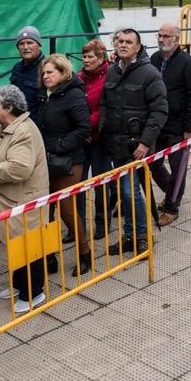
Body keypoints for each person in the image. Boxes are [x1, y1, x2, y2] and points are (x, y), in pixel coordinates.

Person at [0, 85, 51, 314]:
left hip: (24, 200)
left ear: (8, 108)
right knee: (16, 244)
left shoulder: (23, 131)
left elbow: (20, 168)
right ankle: (20, 285)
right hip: (14, 199)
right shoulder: (9, 127)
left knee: (29, 248)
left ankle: (34, 293)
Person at [99, 28, 167, 254]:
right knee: (125, 192)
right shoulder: (111, 72)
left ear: (138, 47)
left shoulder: (150, 73)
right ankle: (130, 235)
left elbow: (159, 111)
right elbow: (105, 105)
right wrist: (103, 131)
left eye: (128, 42)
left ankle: (142, 237)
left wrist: (145, 143)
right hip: (114, 144)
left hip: (136, 146)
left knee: (130, 192)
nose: (123, 44)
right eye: (119, 41)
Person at [32, 54, 92, 275]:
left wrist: (58, 146)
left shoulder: (74, 94)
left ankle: (85, 253)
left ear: (63, 72)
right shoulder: (45, 95)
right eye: (44, 73)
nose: (46, 76)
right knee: (45, 211)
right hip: (45, 161)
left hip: (69, 161)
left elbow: (83, 128)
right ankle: (49, 256)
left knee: (67, 209)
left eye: (50, 72)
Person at [148, 23, 191, 227]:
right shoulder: (154, 59)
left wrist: (189, 128)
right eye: (159, 35)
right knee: (152, 163)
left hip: (178, 126)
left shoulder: (188, 63)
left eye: (166, 36)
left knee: (178, 167)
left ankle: (171, 207)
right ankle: (173, 193)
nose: (161, 39)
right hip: (157, 124)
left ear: (177, 39)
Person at [76, 39, 112, 239]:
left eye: (90, 56)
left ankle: (102, 223)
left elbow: (104, 109)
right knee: (78, 184)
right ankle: (78, 225)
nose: (86, 60)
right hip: (83, 139)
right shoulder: (79, 78)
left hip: (100, 140)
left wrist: (86, 129)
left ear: (101, 58)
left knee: (100, 183)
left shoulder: (109, 77)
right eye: (84, 56)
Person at [10, 25, 45, 113]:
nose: (25, 47)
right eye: (21, 43)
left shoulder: (47, 68)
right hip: (17, 119)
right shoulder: (16, 67)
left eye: (30, 42)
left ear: (39, 45)